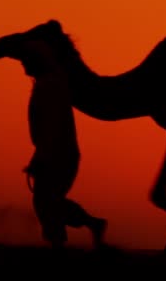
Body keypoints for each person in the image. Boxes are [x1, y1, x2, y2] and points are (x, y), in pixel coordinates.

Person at [23, 47, 107, 251]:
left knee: (46, 201)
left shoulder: (50, 86)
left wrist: (42, 158)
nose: (24, 65)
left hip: (58, 155)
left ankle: (60, 242)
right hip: (56, 153)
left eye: (28, 61)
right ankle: (89, 226)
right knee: (48, 200)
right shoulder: (49, 84)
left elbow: (53, 125)